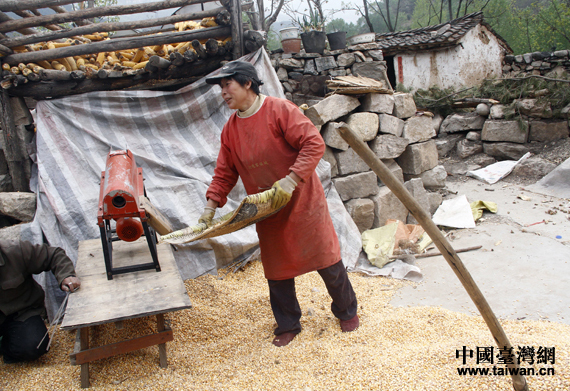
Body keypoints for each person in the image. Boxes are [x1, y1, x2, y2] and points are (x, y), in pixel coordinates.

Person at [201, 61, 358, 347]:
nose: (223, 92)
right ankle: (288, 324)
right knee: (276, 269)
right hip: (267, 208)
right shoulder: (231, 130)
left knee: (326, 257)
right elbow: (224, 172)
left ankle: (346, 310)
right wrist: (209, 209)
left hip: (302, 199)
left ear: (247, 82)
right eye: (221, 88)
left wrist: (290, 181)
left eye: (227, 85)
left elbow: (313, 143)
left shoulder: (280, 110)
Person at [0, 240, 80, 363]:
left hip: (22, 312)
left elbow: (53, 255)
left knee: (34, 345)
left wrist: (66, 275)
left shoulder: (15, 251)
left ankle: (7, 348)